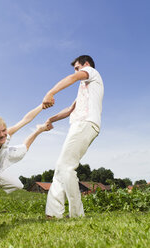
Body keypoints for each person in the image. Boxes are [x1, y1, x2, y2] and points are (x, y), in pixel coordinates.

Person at [42, 55, 104, 218]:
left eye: (78, 68)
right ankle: (53, 213)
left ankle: (77, 214)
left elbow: (72, 78)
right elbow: (70, 109)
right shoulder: (86, 88)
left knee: (66, 166)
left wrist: (51, 92)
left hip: (86, 123)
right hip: (78, 125)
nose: (77, 72)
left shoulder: (91, 72)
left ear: (86, 64)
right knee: (60, 168)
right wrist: (51, 119)